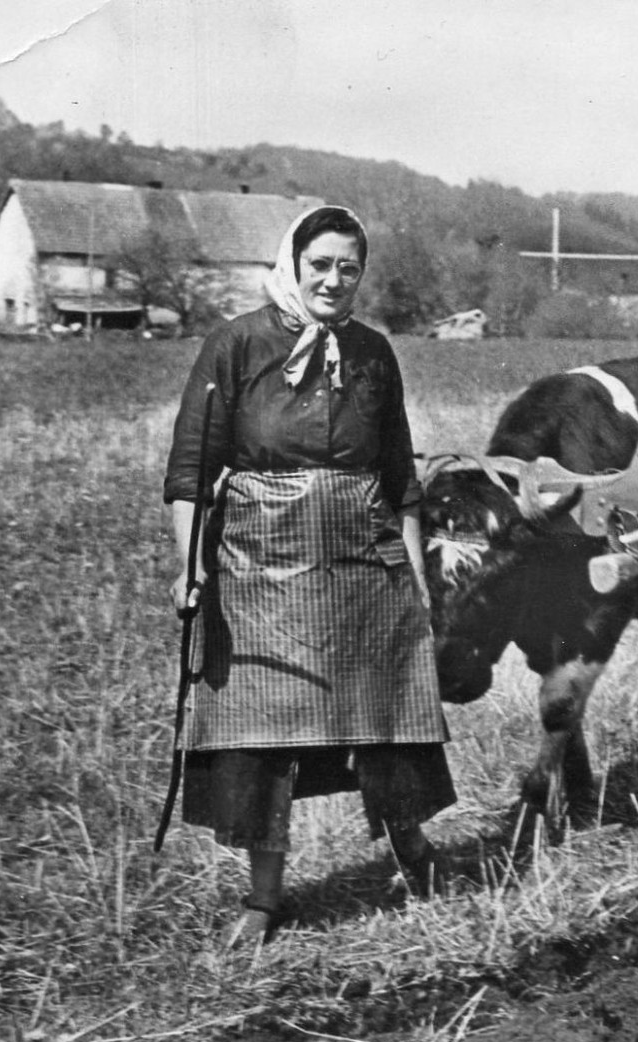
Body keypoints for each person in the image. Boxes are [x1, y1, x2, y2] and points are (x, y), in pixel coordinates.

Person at [164, 205, 453, 945]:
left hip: (363, 559)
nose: (333, 279)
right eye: (320, 264)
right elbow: (191, 474)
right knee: (263, 728)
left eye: (348, 267)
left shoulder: (373, 354)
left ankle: (411, 849)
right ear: (292, 264)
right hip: (261, 566)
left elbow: (400, 478)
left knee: (388, 707)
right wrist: (188, 566)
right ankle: (265, 897)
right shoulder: (235, 345)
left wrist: (417, 578)